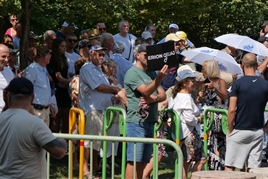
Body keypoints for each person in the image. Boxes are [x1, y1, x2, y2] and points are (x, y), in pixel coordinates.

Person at [0, 77, 67, 178]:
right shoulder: (35, 124)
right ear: (33, 98)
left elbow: (10, 118)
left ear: (8, 95)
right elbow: (59, 151)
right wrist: (63, 140)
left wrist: (7, 103)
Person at [225, 53, 268, 171]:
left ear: (242, 65)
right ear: (256, 65)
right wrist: (266, 126)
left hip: (240, 129)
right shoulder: (266, 85)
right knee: (253, 169)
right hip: (257, 131)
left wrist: (230, 130)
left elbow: (232, 109)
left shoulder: (238, 84)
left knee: (230, 167)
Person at [124, 44, 167, 179]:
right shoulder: (132, 73)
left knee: (143, 160)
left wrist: (153, 99)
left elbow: (163, 95)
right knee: (133, 160)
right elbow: (146, 91)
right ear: (137, 55)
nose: (149, 58)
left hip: (150, 120)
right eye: (146, 55)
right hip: (137, 121)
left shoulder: (151, 72)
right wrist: (159, 78)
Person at [79, 45, 120, 177]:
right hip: (92, 109)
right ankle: (85, 170)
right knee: (90, 141)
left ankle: (95, 166)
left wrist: (113, 98)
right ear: (91, 55)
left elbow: (104, 89)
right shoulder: (87, 68)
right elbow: (99, 88)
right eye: (99, 54)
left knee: (97, 141)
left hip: (102, 109)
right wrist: (115, 90)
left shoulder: (98, 70)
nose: (102, 57)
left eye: (103, 54)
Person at [168, 69, 206, 178]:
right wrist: (199, 119)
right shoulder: (185, 98)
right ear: (184, 83)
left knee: (184, 163)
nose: (194, 83)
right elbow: (189, 119)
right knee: (201, 159)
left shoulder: (174, 96)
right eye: (192, 81)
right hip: (189, 133)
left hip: (180, 133)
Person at [202, 60, 228, 170]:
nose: (202, 71)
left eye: (203, 68)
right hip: (206, 118)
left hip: (218, 118)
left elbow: (225, 97)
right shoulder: (202, 82)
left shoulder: (220, 81)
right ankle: (206, 166)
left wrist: (214, 88)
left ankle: (218, 167)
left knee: (219, 142)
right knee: (206, 142)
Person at [23, 45, 54, 126]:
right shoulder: (32, 70)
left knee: (43, 137)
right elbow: (25, 91)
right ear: (44, 57)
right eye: (49, 55)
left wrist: (50, 104)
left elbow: (44, 90)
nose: (50, 57)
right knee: (36, 136)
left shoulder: (44, 69)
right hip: (36, 110)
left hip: (45, 110)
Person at [47, 38, 71, 133]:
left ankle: (65, 142)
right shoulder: (53, 59)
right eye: (62, 46)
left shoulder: (64, 58)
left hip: (65, 90)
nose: (64, 48)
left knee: (66, 118)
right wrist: (72, 83)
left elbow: (66, 74)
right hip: (57, 90)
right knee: (56, 118)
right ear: (56, 47)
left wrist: (68, 82)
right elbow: (59, 77)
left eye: (65, 46)